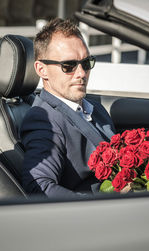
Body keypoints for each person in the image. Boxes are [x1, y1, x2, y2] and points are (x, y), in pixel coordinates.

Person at [20, 18, 115, 198]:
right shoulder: (43, 120)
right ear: (41, 70)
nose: (81, 73)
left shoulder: (95, 108)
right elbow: (38, 186)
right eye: (68, 65)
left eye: (86, 63)